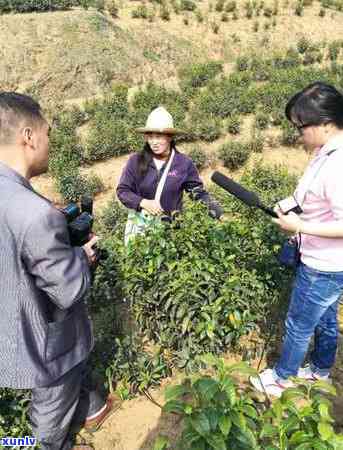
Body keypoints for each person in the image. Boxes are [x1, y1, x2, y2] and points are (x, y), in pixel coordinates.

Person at [0, 93, 117, 450]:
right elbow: (68, 290)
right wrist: (84, 257)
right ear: (29, 136)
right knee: (45, 433)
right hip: (44, 348)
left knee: (76, 380)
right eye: (47, 133)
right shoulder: (36, 214)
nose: (50, 142)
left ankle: (92, 409)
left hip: (10, 325)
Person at [251, 82, 343, 397]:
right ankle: (319, 371)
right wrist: (288, 204)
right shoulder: (325, 153)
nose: (298, 134)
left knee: (299, 323)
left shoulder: (338, 164)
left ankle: (282, 377)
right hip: (327, 263)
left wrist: (300, 226)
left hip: (322, 265)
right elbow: (310, 194)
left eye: (301, 127)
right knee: (326, 320)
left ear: (326, 125)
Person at [117, 106, 222, 243]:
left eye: (159, 136)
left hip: (172, 232)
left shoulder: (183, 163)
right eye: (150, 137)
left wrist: (216, 210)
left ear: (170, 137)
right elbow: (123, 191)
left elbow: (197, 192)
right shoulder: (136, 161)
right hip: (141, 231)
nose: (154, 142)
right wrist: (142, 202)